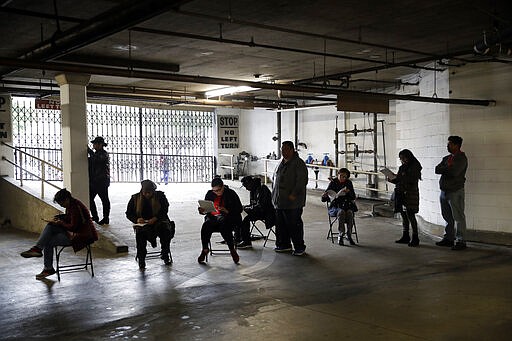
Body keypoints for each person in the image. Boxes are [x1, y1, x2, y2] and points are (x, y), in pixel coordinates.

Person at [20, 188, 99, 279]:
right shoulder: (72, 205)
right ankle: (40, 255)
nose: (61, 206)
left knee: (50, 232)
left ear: (66, 199)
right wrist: (60, 218)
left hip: (81, 236)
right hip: (75, 233)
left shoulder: (75, 207)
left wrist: (60, 222)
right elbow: (71, 220)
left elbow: (73, 226)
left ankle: (42, 258)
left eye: (61, 203)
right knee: (50, 230)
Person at [126, 180, 175, 269]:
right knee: (140, 234)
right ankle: (141, 259)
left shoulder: (160, 196)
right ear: (142, 191)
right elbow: (128, 213)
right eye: (145, 193)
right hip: (143, 223)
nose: (147, 195)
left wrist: (155, 218)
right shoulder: (135, 198)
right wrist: (137, 219)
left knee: (165, 230)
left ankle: (165, 253)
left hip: (158, 220)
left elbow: (164, 210)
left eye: (150, 193)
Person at [271, 141, 308, 256]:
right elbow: (274, 179)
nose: (283, 151)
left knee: (294, 225)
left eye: (286, 149)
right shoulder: (281, 163)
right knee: (281, 225)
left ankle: (299, 247)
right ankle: (284, 245)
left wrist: (294, 194)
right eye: (282, 149)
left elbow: (302, 181)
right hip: (279, 201)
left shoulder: (298, 163)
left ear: (292, 150)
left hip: (293, 203)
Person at [197, 177, 242, 264]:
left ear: (223, 187)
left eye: (218, 190)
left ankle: (232, 249)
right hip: (213, 218)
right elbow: (207, 210)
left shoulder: (231, 194)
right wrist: (202, 211)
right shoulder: (210, 194)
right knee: (206, 226)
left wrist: (227, 211)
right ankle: (205, 249)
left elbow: (239, 209)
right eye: (214, 191)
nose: (216, 192)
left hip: (228, 219)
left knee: (224, 226)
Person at [435, 136, 468, 250]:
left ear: (456, 145)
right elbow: (436, 169)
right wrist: (446, 167)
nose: (447, 146)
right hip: (444, 192)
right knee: (447, 217)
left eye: (450, 144)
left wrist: (445, 168)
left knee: (458, 217)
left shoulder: (461, 159)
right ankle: (449, 238)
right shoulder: (446, 158)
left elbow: (454, 172)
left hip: (455, 191)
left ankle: (461, 241)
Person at [387, 149, 422, 247]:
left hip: (411, 193)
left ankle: (415, 237)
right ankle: (405, 235)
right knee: (403, 215)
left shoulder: (415, 167)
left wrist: (400, 177)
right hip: (401, 193)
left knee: (410, 214)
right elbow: (399, 180)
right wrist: (392, 179)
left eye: (403, 158)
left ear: (409, 157)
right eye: (401, 158)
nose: (402, 160)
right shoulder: (402, 167)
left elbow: (410, 180)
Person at [236, 176, 276, 249]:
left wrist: (248, 208)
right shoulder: (252, 190)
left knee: (245, 218)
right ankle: (239, 238)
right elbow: (253, 205)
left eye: (246, 186)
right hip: (257, 211)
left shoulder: (263, 189)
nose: (246, 189)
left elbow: (262, 206)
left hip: (266, 213)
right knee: (239, 214)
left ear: (250, 183)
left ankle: (246, 241)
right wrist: (245, 207)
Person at [322, 168, 358, 246]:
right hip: (335, 206)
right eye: (341, 176)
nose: (342, 178)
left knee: (349, 213)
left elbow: (353, 197)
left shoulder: (348, 183)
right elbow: (325, 198)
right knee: (341, 212)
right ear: (338, 175)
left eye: (345, 177)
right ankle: (341, 235)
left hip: (346, 205)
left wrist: (348, 192)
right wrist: (324, 196)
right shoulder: (333, 182)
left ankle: (349, 235)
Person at [88, 136, 111, 225]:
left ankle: (106, 218)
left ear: (100, 145)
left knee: (104, 200)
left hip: (102, 181)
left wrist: (90, 151)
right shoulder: (95, 154)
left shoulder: (104, 154)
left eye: (95, 144)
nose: (93, 145)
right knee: (90, 199)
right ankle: (95, 216)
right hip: (94, 182)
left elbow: (97, 159)